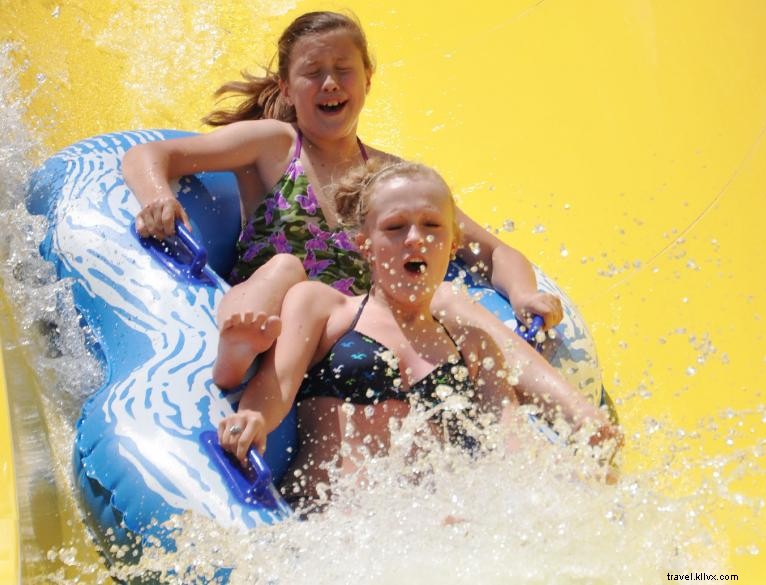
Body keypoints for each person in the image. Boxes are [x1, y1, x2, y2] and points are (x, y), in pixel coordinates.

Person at [121, 10, 563, 391]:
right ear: (288, 88)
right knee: (287, 268)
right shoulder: (274, 144)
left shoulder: (390, 179)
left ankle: (556, 410)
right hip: (268, 319)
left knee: (441, 300)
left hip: (346, 338)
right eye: (313, 72)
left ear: (368, 79)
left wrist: (524, 295)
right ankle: (236, 352)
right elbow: (152, 155)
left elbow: (493, 250)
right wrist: (157, 198)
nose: (330, 83)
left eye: (344, 69)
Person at [217, 161, 620, 510]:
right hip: (339, 522)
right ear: (365, 246)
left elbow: (509, 446)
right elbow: (277, 385)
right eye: (394, 227)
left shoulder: (471, 343)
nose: (415, 238)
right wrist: (253, 417)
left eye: (432, 225)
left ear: (453, 243)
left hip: (436, 530)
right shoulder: (323, 309)